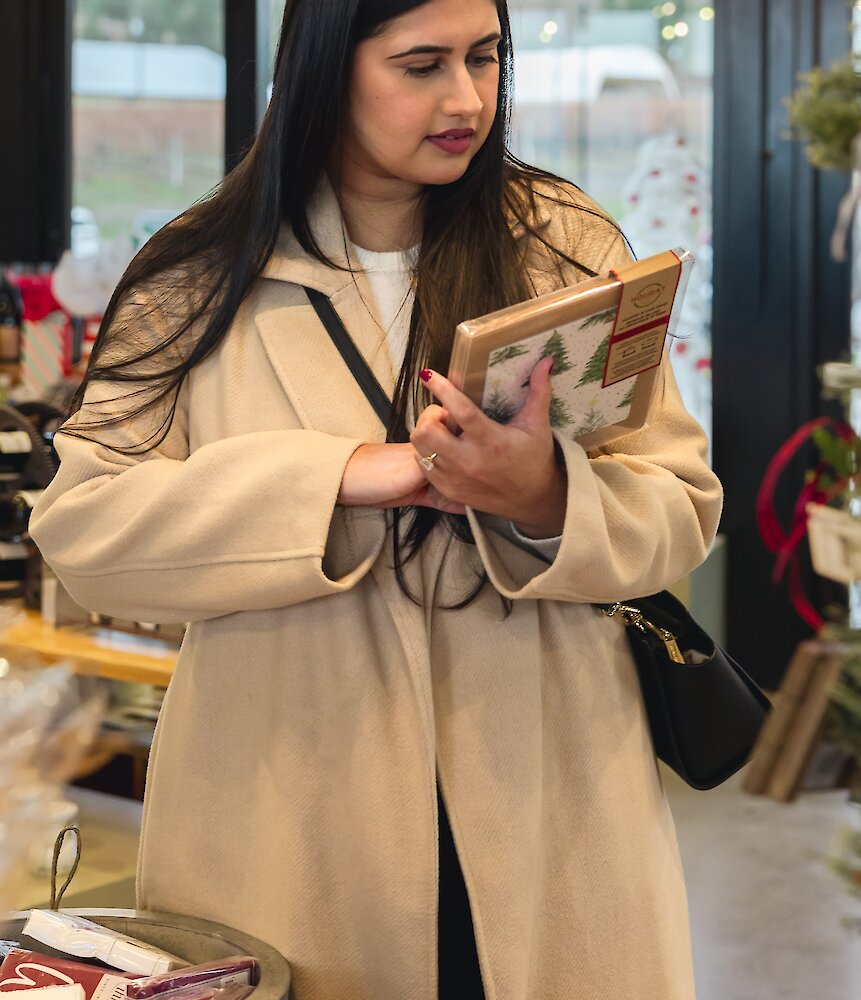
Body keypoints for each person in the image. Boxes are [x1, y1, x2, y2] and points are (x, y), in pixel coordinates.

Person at [30, 0, 723, 997]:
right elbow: (84, 528)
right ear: (326, 70)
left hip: (547, 796)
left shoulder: (565, 245)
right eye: (421, 64)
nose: (467, 98)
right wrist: (344, 477)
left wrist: (546, 497)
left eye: (484, 58)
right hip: (288, 811)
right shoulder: (199, 274)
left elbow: (679, 505)